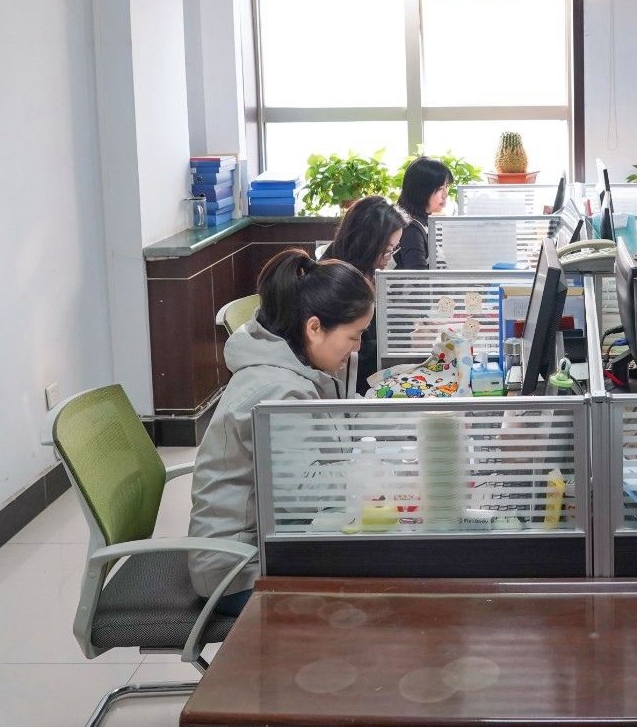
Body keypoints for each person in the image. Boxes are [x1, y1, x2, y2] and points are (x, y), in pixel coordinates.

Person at [187, 249, 373, 614]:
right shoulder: (278, 390)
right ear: (314, 328)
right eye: (354, 336)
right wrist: (373, 473)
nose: (357, 348)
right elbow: (300, 493)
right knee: (372, 590)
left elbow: (329, 436)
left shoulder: (296, 366)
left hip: (271, 540)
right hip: (238, 568)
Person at [322, 196, 408, 393]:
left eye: (394, 250)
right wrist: (405, 343)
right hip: (353, 384)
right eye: (387, 251)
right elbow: (355, 355)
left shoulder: (361, 267)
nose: (389, 259)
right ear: (367, 244)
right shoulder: (339, 283)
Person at [393, 157, 453, 270]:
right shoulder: (412, 229)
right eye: (440, 188)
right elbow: (418, 277)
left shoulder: (423, 220)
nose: (445, 195)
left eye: (446, 186)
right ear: (422, 191)